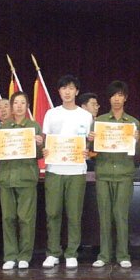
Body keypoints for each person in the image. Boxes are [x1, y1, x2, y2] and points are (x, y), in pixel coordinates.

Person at [41, 75, 93, 269]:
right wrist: (44, 150)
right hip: (54, 169)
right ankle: (53, 252)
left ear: (77, 91)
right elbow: (45, 139)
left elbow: (89, 142)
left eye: (71, 88)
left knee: (74, 214)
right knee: (53, 212)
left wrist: (88, 150)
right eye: (64, 88)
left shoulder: (86, 116)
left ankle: (71, 252)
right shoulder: (51, 114)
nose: (67, 92)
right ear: (59, 91)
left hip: (77, 170)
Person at [92, 81, 139, 268]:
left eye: (120, 95)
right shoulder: (100, 121)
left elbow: (139, 154)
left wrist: (138, 141)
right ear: (109, 98)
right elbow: (91, 150)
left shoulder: (133, 123)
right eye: (113, 95)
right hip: (104, 173)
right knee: (104, 216)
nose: (117, 99)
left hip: (124, 173)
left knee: (121, 215)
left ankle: (123, 255)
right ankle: (104, 255)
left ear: (125, 98)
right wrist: (91, 140)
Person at [0, 91, 43, 270]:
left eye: (23, 103)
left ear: (27, 106)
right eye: (16, 103)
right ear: (11, 107)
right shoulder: (3, 128)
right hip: (6, 177)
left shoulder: (34, 126)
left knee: (26, 219)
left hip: (27, 177)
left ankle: (24, 256)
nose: (19, 106)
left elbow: (39, 155)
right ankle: (10, 255)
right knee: (8, 218)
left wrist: (40, 144)